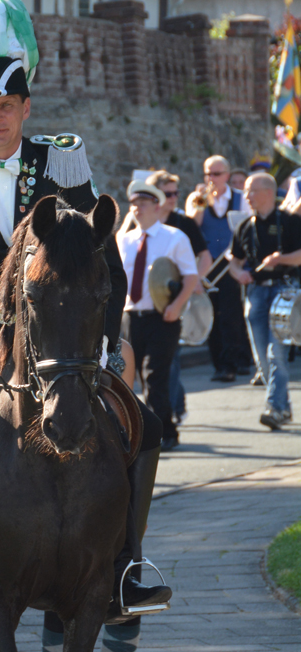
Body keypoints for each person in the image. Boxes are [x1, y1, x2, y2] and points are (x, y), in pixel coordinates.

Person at [0, 0, 170, 635]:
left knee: (146, 425)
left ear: (26, 107)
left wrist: (103, 343)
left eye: (7, 107)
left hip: (57, 344)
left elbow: (100, 263)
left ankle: (129, 563)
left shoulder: (60, 162)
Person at [119, 181, 198, 451]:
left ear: (157, 205)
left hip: (163, 316)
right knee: (130, 377)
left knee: (155, 375)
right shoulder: (125, 239)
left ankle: (164, 432)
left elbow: (190, 276)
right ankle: (140, 431)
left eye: (142, 204)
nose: (136, 209)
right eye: (133, 204)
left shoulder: (174, 237)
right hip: (131, 316)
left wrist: (177, 306)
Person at [229, 172, 301, 430]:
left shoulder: (291, 222)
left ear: (268, 192)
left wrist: (279, 259)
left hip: (283, 290)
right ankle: (283, 407)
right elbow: (234, 261)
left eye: (252, 190)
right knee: (262, 357)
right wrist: (239, 273)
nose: (247, 196)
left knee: (275, 353)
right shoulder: (245, 226)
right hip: (256, 293)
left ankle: (274, 407)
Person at [146, 170, 209, 424]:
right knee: (156, 363)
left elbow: (205, 257)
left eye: (176, 193)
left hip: (173, 298)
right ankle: (177, 405)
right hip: (144, 302)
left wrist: (194, 280)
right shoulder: (139, 221)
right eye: (169, 193)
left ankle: (166, 416)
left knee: (169, 359)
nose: (174, 198)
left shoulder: (184, 223)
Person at [186, 155, 253, 382]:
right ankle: (220, 365)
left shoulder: (240, 198)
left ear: (227, 175)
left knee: (231, 315)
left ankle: (233, 362)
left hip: (229, 263)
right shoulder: (197, 198)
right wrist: (201, 201)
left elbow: (247, 228)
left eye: (216, 174)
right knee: (212, 315)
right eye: (208, 174)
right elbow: (192, 226)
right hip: (208, 264)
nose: (211, 178)